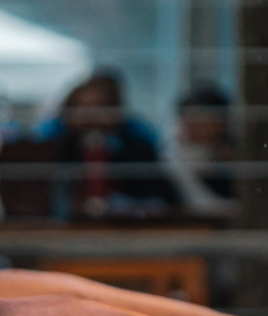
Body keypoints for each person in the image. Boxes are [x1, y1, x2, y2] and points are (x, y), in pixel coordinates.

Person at [31, 70, 178, 220]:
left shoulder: (137, 147)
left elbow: (159, 197)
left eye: (99, 107)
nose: (91, 116)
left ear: (115, 111)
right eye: (83, 108)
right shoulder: (57, 148)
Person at [163, 83, 236, 218]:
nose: (189, 124)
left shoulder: (232, 157)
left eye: (197, 117)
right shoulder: (174, 158)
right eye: (185, 117)